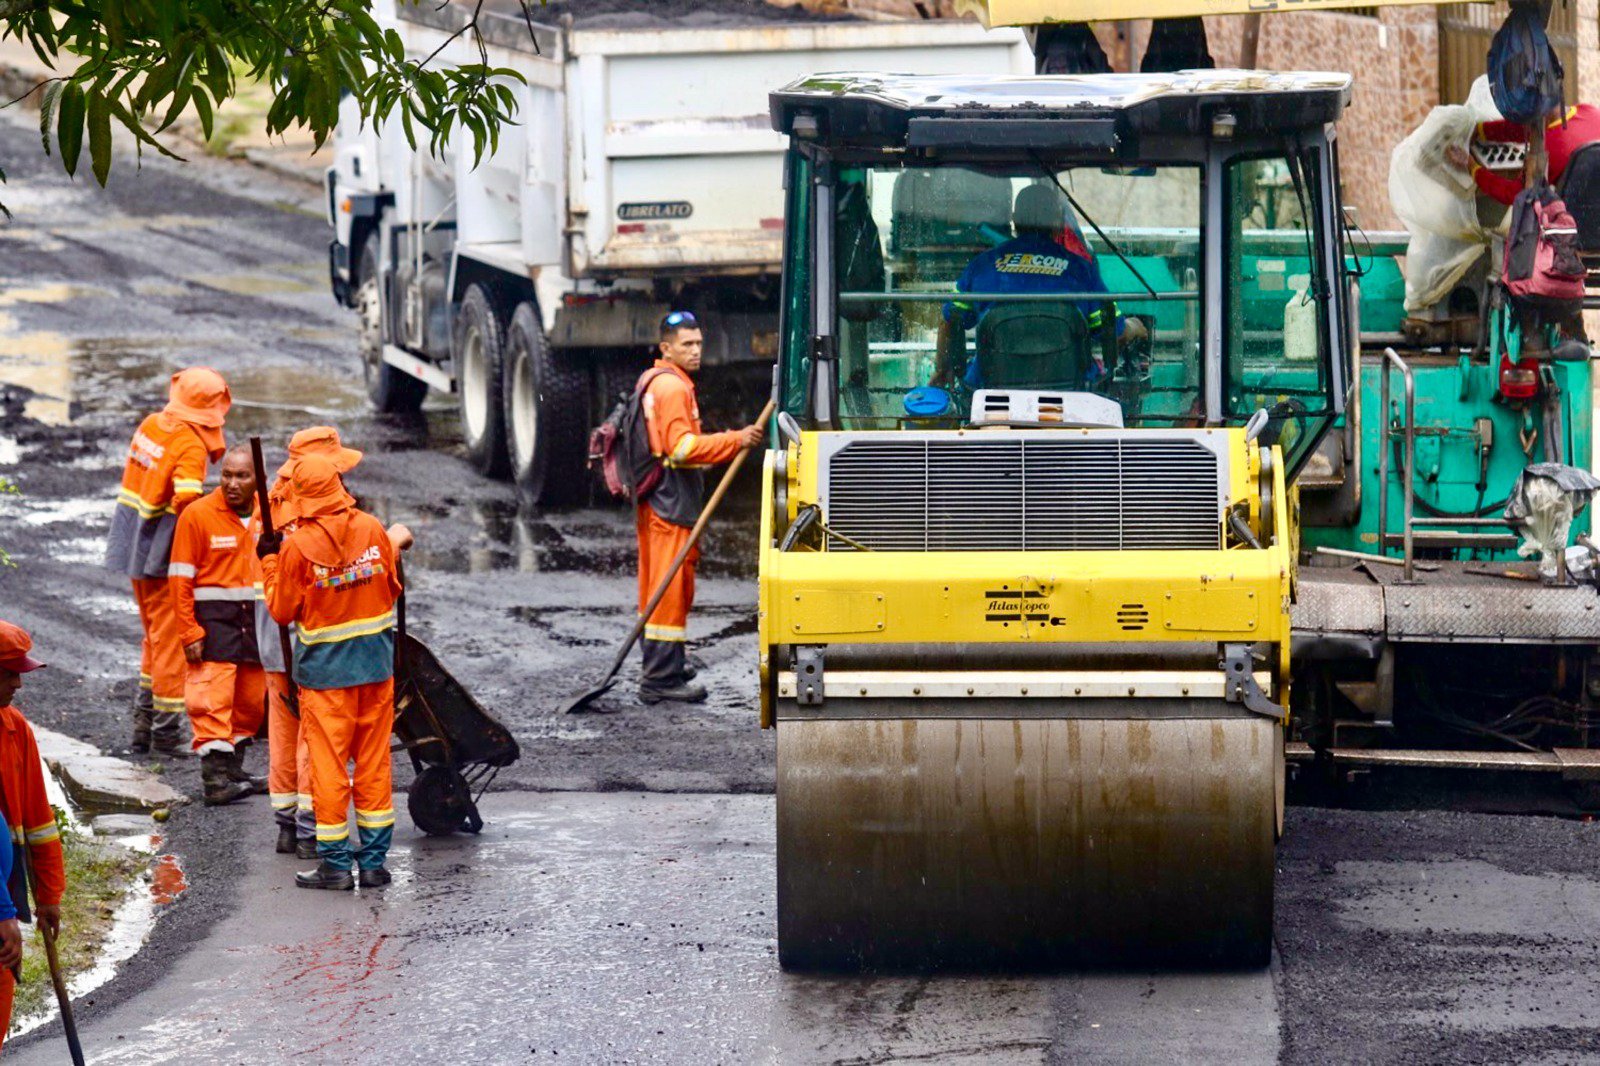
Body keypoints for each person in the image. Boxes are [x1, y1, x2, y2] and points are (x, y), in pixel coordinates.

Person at [262, 427, 411, 858]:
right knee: (374, 765)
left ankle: (333, 865)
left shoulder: (296, 547)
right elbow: (392, 589)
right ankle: (376, 861)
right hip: (376, 671)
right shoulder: (372, 529)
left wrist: (269, 561)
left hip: (327, 681)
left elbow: (281, 611)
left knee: (328, 769)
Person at [634, 311, 764, 705]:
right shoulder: (672, 388)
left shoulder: (656, 380)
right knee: (669, 590)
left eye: (698, 344)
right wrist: (735, 439)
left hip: (659, 499)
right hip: (669, 501)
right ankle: (659, 679)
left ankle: (667, 663)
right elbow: (682, 448)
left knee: (662, 585)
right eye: (686, 345)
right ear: (666, 348)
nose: (695, 351)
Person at [104, 367, 231, 757]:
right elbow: (188, 500)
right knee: (172, 643)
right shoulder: (191, 446)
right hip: (161, 551)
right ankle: (166, 733)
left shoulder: (153, 423)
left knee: (154, 638)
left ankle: (144, 726)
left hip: (133, 543)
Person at [933, 184, 1145, 391]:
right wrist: (1135, 326)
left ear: (1015, 220)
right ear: (1057, 221)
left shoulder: (982, 266)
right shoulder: (1080, 270)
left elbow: (950, 320)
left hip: (990, 392)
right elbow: (1114, 332)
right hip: (1071, 393)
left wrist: (943, 369)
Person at [170, 446, 270, 806]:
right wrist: (189, 632)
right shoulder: (197, 515)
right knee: (211, 700)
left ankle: (233, 772)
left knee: (249, 704)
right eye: (226, 474)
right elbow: (179, 579)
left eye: (241, 476)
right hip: (213, 624)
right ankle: (215, 782)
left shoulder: (269, 514)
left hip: (256, 623)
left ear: (258, 481)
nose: (231, 483)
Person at [0, 621, 64, 1049]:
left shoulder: (15, 728)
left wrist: (49, 895)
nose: (19, 683)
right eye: (9, 673)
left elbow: (40, 821)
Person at [1447, 105, 1600, 205]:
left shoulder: (1547, 150)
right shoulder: (1590, 112)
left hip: (1571, 238)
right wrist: (1482, 130)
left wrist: (1472, 167)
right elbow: (1531, 129)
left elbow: (1515, 195)